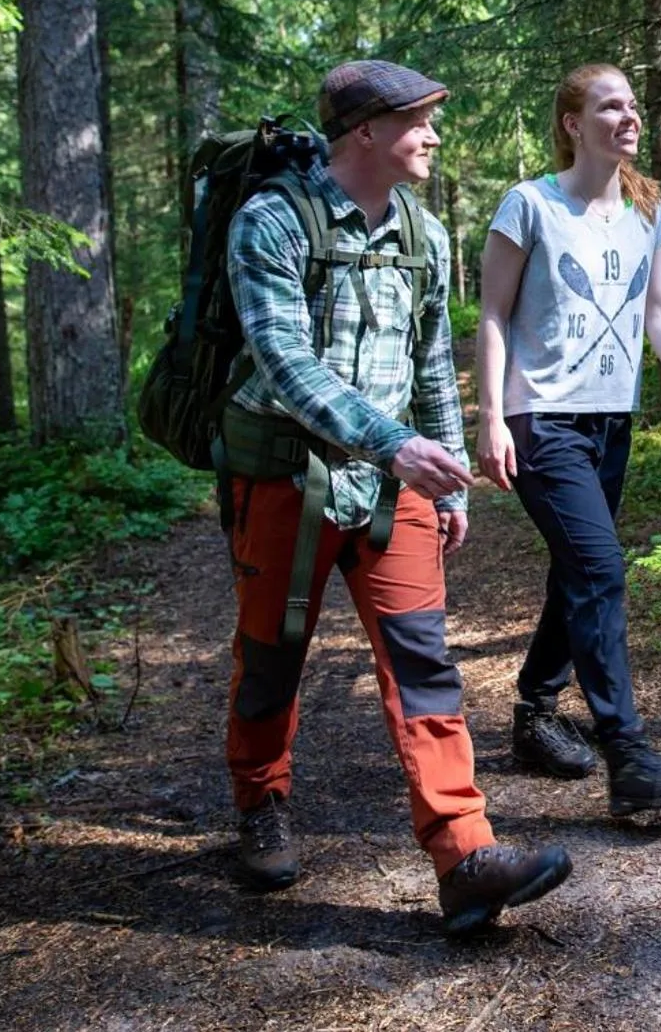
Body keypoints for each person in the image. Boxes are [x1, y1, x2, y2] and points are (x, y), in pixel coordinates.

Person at [221, 58, 570, 934]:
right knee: (272, 656)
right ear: (365, 132)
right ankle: (261, 801)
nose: (433, 135)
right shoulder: (271, 220)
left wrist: (446, 468)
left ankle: (465, 854)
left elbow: (427, 365)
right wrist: (397, 443)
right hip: (283, 479)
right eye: (418, 121)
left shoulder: (424, 231)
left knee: (423, 660)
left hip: (396, 483)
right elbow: (284, 364)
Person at [476, 62, 661, 818]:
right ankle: (629, 754)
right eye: (611, 106)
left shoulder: (648, 210)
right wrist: (488, 416)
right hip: (541, 418)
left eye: (633, 105)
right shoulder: (529, 206)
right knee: (600, 566)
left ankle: (535, 711)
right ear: (574, 123)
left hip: (613, 419)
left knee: (577, 569)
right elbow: (492, 315)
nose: (629, 116)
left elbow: (659, 311)